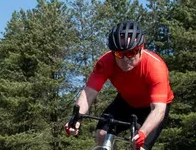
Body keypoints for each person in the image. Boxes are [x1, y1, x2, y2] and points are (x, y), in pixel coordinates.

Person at [65, 20, 173, 150]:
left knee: (139, 147)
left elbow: (158, 110)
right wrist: (76, 118)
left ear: (141, 48)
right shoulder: (106, 62)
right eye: (119, 54)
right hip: (126, 101)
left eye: (131, 53)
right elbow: (89, 93)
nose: (125, 59)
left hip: (152, 108)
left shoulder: (155, 67)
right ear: (113, 52)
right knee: (101, 135)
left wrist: (142, 133)